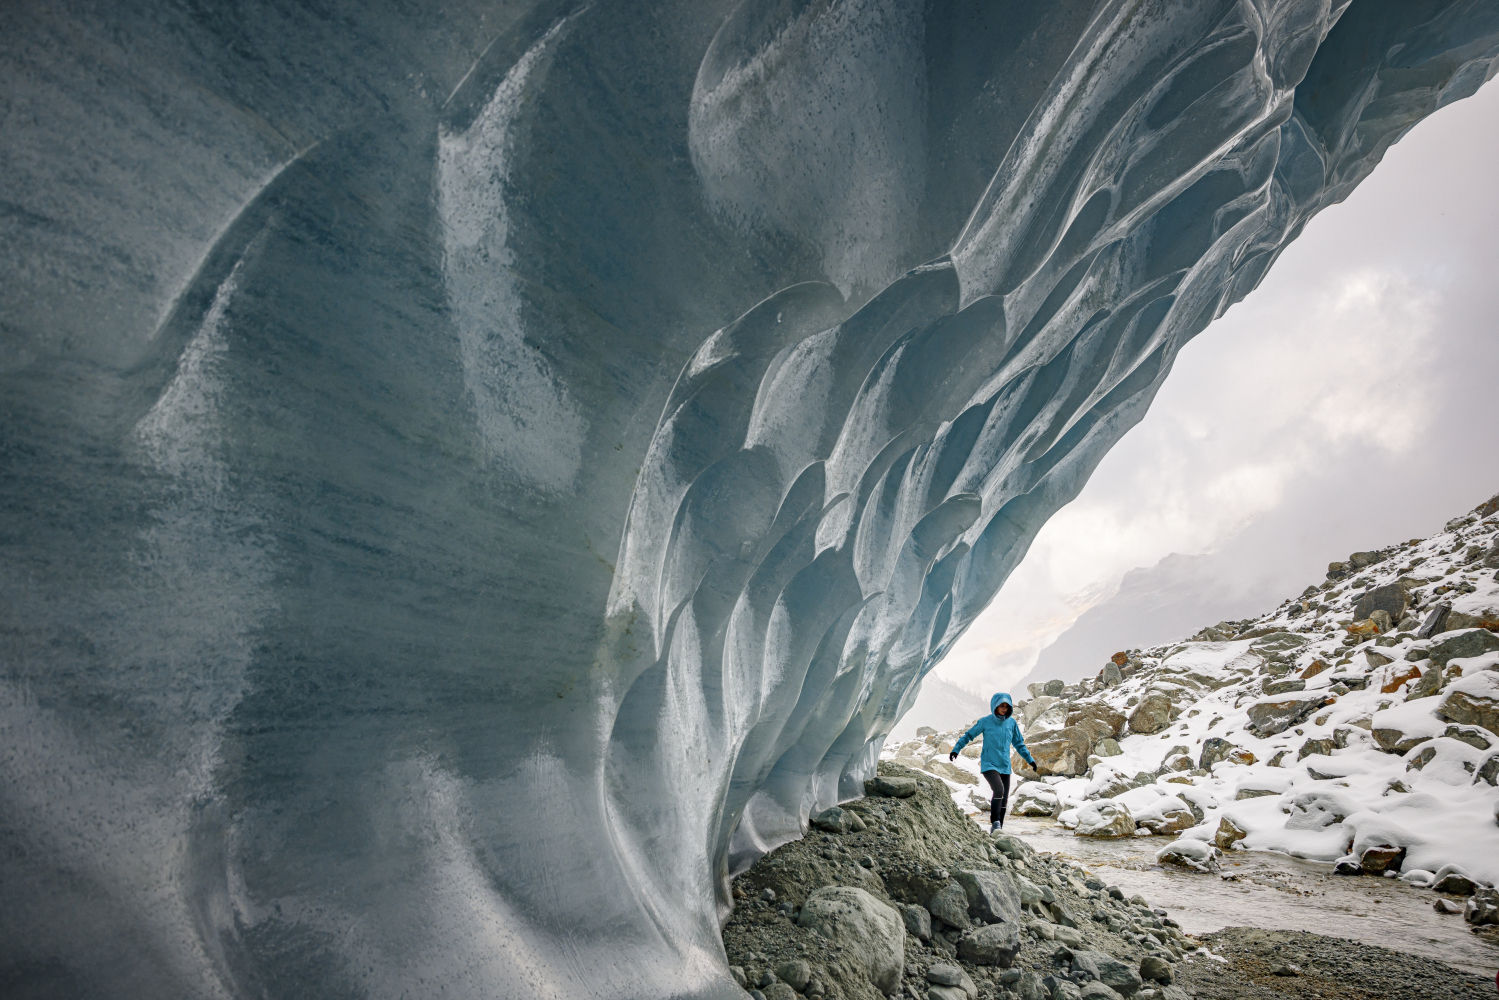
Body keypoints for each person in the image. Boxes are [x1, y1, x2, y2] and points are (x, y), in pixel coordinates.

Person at [949, 692, 1037, 832]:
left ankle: (998, 830)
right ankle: (995, 822)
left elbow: (1019, 744)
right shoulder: (986, 721)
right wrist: (956, 749)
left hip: (1005, 766)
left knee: (1004, 799)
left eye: (1006, 706)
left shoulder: (1012, 723)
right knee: (999, 790)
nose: (1004, 708)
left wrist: (1030, 760)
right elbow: (969, 735)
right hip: (989, 764)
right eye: (1001, 705)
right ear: (995, 706)